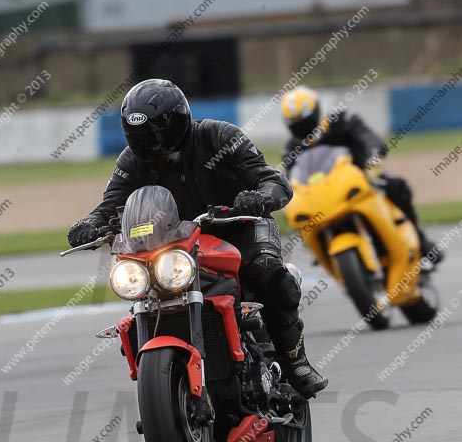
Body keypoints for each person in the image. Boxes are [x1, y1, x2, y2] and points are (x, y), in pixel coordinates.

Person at [68, 78, 328, 399]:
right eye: (143, 138)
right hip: (177, 245)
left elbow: (273, 181)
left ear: (180, 120)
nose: (154, 145)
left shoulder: (219, 136)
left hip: (239, 227)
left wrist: (259, 198)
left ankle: (295, 361)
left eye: (159, 134)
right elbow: (110, 203)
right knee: (145, 290)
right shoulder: (132, 162)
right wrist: (92, 223)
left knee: (266, 271)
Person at [280, 86, 443, 264]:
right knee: (300, 217)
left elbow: (368, 139)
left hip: (360, 180)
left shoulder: (341, 122)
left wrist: (373, 156)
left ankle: (421, 242)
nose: (302, 127)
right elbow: (292, 180)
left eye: (305, 121)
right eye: (296, 124)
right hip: (322, 194)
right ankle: (320, 250)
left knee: (396, 186)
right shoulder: (291, 149)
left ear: (317, 111)